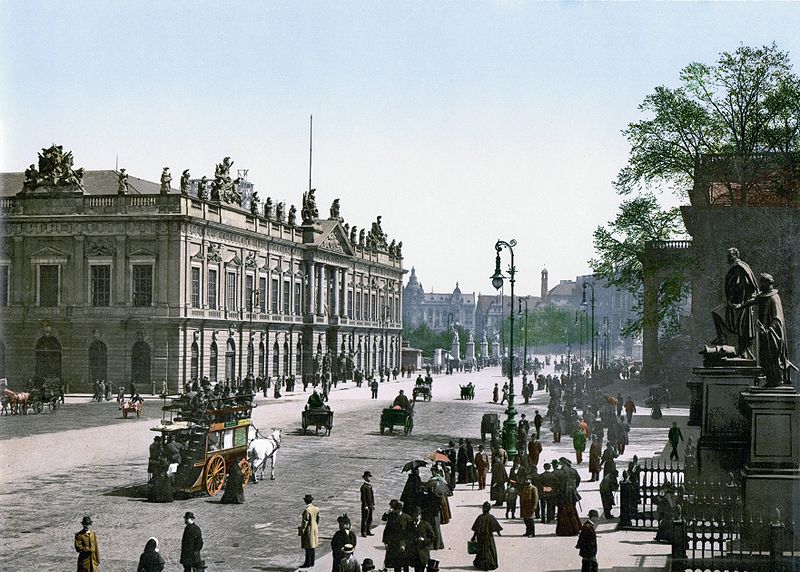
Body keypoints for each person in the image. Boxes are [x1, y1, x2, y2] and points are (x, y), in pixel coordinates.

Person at [735, 272, 795, 387]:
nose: (760, 285)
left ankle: (777, 380)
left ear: (769, 283)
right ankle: (770, 380)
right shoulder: (762, 295)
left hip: (772, 333)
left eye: (762, 282)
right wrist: (740, 306)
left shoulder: (774, 298)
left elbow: (778, 318)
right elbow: (752, 301)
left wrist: (769, 329)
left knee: (774, 356)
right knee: (765, 356)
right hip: (764, 333)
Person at [711, 247, 758, 356]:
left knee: (720, 315)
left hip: (740, 305)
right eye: (727, 256)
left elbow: (748, 286)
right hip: (734, 303)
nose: (727, 258)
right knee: (717, 313)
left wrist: (740, 302)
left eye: (730, 256)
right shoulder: (736, 268)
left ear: (736, 255)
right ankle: (723, 340)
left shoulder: (740, 268)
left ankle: (725, 341)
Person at [470, 501, 502, 570]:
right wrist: (499, 533)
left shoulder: (480, 517)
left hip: (480, 537)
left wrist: (473, 536)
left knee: (481, 551)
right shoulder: (491, 517)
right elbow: (496, 526)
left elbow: (476, 529)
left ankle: (481, 564)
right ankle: (489, 564)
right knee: (489, 550)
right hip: (488, 537)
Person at [382, 499, 412, 572]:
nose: (395, 511)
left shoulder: (407, 517)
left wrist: (406, 543)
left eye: (396, 510)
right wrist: (385, 541)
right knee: (396, 563)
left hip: (403, 542)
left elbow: (410, 531)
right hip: (393, 542)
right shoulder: (392, 516)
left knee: (404, 562)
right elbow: (387, 528)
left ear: (400, 510)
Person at [408, 506, 436, 572]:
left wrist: (425, 540)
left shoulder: (426, 525)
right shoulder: (410, 525)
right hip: (414, 553)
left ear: (420, 516)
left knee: (421, 569)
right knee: (417, 569)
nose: (415, 517)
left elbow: (433, 538)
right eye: (414, 516)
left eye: (417, 515)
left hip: (423, 552)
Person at [299, 494, 320, 568]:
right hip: (314, 528)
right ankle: (312, 562)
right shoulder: (316, 508)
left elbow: (305, 522)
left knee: (307, 547)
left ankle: (308, 562)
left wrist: (302, 531)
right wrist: (315, 525)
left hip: (309, 530)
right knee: (312, 547)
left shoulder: (307, 510)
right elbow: (318, 519)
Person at [361, 471, 375, 537]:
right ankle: (364, 531)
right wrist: (365, 505)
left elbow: (372, 496)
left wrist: (373, 504)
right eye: (368, 476)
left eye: (370, 477)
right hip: (366, 505)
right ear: (365, 477)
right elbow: (363, 497)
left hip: (370, 505)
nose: (369, 478)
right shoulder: (364, 487)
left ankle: (368, 530)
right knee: (365, 519)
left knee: (370, 518)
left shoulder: (369, 486)